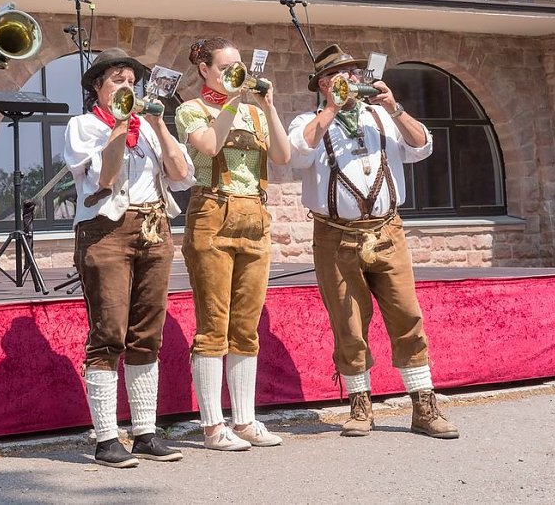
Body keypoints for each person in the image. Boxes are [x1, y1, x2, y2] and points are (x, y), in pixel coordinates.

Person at [287, 43, 459, 439]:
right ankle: (360, 407)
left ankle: (424, 406)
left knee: (407, 317)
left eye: (352, 73)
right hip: (335, 236)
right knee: (348, 324)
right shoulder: (307, 120)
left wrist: (394, 107)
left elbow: (422, 146)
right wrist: (331, 109)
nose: (348, 79)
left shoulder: (381, 116)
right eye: (338, 75)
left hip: (387, 231)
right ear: (323, 84)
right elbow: (295, 155)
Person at [64, 48, 195, 468]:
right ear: (97, 88)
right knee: (109, 332)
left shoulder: (150, 127)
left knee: (147, 332)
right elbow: (105, 177)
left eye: (131, 81)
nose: (127, 86)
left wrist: (157, 121)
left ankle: (145, 431)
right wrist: (121, 123)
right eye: (117, 80)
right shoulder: (83, 126)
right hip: (106, 232)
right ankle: (105, 438)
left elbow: (180, 175)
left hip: (154, 228)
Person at [175, 37, 290, 451]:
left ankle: (245, 420)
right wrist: (231, 100)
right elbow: (210, 145)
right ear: (204, 69)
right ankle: (211, 426)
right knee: (213, 324)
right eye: (226, 67)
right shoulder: (192, 108)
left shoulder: (254, 113)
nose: (234, 73)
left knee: (246, 324)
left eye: (238, 65)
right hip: (212, 211)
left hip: (254, 215)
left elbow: (282, 155)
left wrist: (269, 106)